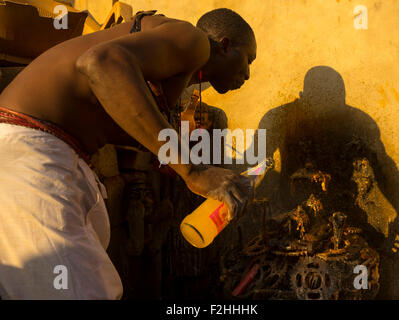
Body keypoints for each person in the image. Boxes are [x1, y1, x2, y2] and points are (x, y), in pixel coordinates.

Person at [0, 8, 256, 299]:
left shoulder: (170, 56)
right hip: (29, 152)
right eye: (248, 60)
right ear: (224, 45)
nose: (248, 74)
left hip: (45, 154)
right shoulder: (194, 40)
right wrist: (192, 172)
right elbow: (100, 64)